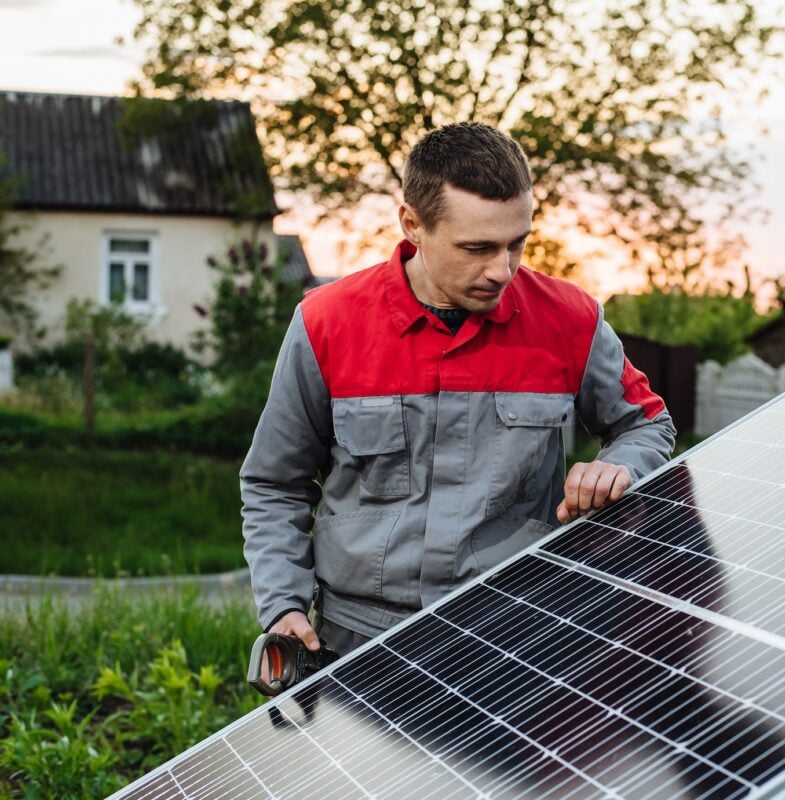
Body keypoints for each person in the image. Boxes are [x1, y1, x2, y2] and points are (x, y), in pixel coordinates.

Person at [240, 122, 676, 657]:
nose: (502, 270)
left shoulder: (570, 319)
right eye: (477, 248)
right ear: (412, 224)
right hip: (358, 639)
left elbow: (647, 424)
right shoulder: (326, 323)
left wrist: (622, 465)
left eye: (517, 243)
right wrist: (283, 603)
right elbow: (274, 481)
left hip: (517, 632)